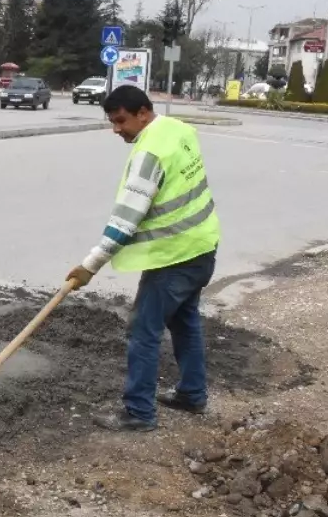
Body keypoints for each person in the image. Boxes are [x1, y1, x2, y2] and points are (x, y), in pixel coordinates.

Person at [66, 84, 221, 432]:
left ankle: (138, 412)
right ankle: (192, 394)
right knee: (185, 322)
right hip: (202, 246)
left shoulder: (149, 154)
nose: (116, 129)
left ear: (143, 113)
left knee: (143, 331)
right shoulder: (177, 129)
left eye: (121, 121)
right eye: (112, 122)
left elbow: (124, 221)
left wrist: (90, 267)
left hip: (174, 256)